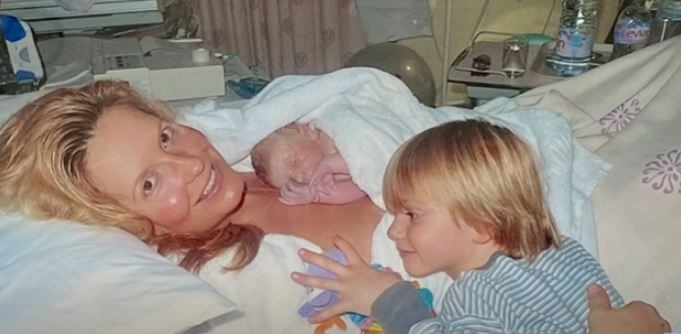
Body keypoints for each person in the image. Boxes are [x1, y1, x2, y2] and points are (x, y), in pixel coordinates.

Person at [0, 80, 668, 333]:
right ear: (125, 222)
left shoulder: (250, 152)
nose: (189, 163)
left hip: (533, 211)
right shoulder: (220, 276)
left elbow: (373, 103)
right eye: (150, 184)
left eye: (166, 136)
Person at [291, 119, 625, 333]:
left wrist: (389, 300)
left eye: (413, 215)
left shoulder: (476, 295)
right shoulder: (566, 253)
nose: (394, 231)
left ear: (482, 224)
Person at [250, 122, 366, 205]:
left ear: (306, 131)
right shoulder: (329, 177)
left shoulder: (332, 126)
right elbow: (362, 186)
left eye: (295, 162)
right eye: (294, 180)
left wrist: (329, 164)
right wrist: (315, 194)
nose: (300, 177)